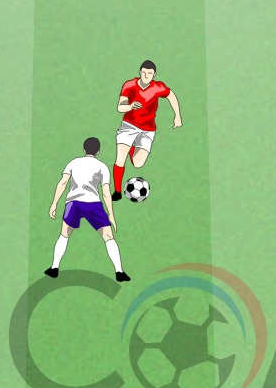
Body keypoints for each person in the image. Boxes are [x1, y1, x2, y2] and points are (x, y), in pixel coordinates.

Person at [46, 137, 128, 282]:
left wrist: (54, 203)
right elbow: (105, 193)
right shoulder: (102, 166)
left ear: (84, 150)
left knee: (64, 234)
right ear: (98, 151)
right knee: (108, 236)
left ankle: (54, 268)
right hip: (93, 204)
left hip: (73, 203)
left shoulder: (73, 163)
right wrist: (111, 214)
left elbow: (63, 183)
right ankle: (119, 272)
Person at [113, 60, 180, 199]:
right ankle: (117, 192)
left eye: (149, 73)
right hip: (129, 125)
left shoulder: (158, 87)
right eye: (144, 72)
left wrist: (177, 116)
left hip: (148, 129)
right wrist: (130, 106)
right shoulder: (129, 85)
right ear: (140, 72)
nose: (146, 76)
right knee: (120, 158)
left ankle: (130, 147)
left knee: (138, 164)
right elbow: (120, 107)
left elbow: (171, 95)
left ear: (154, 74)